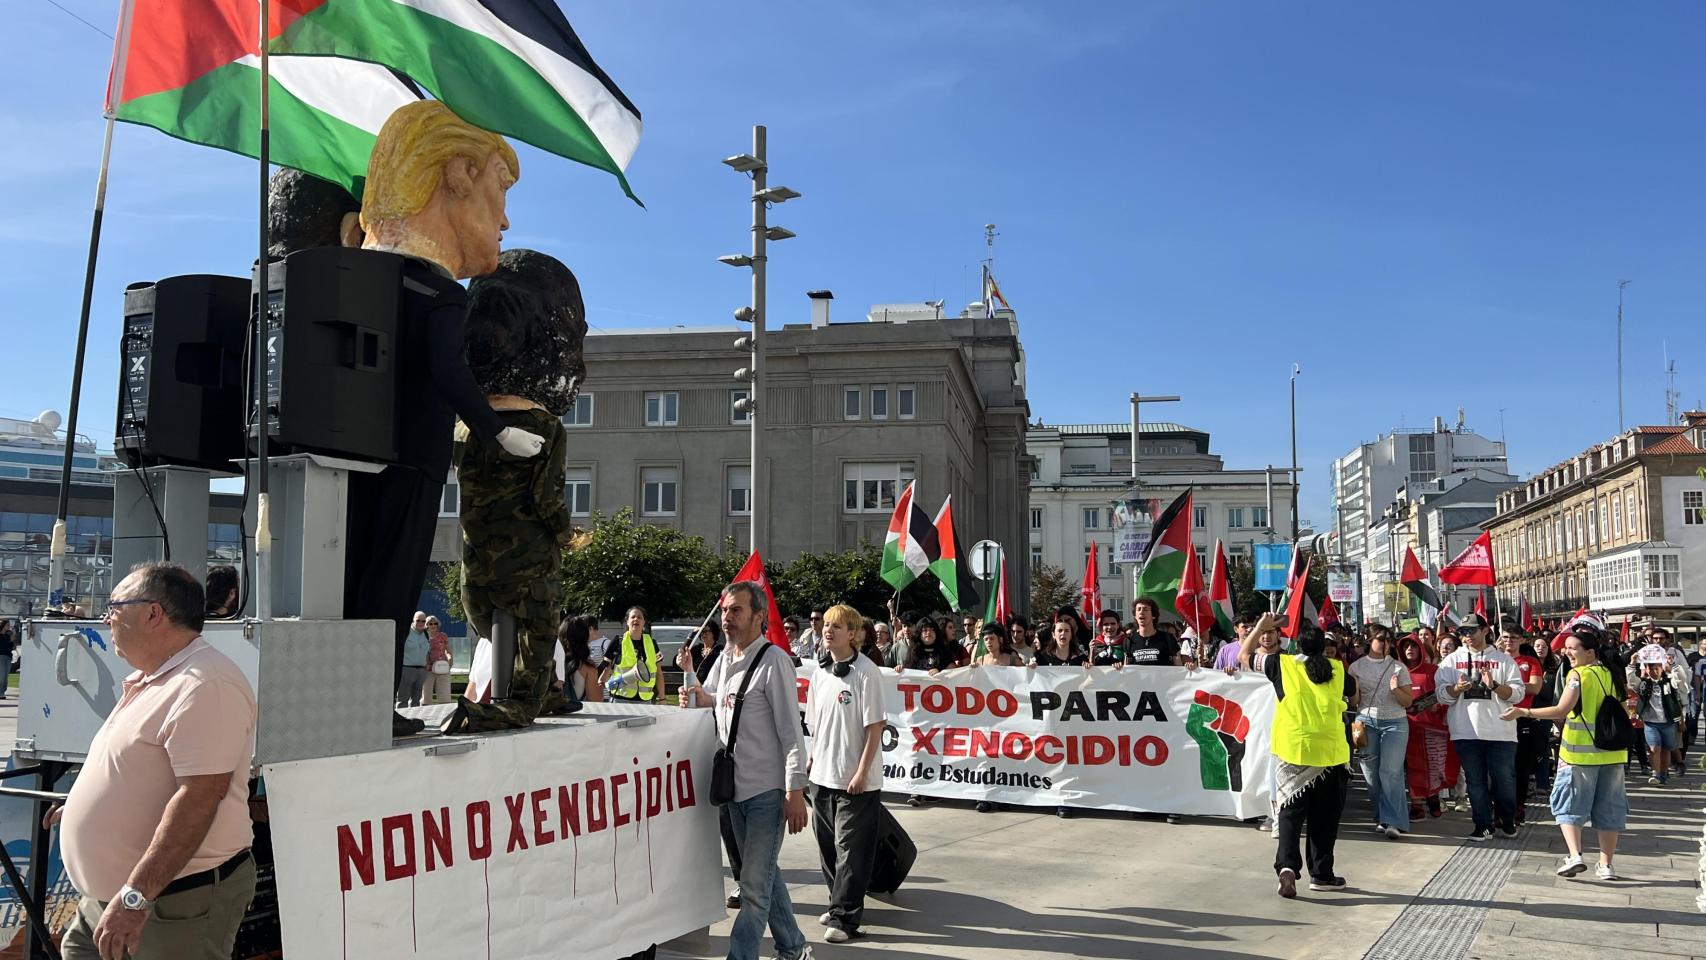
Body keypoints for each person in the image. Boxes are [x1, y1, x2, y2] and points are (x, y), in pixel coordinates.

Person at [340, 101, 541, 738]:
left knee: (344, 575)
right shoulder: (439, 292)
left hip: (346, 449)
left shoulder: (357, 280)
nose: (505, 220)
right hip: (414, 457)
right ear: (457, 175)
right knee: (392, 579)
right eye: (499, 189)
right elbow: (448, 371)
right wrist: (495, 429)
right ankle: (368, 701)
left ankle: (343, 698)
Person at [53, 562, 257, 959]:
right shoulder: (158, 678)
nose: (106, 619)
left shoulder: (205, 683)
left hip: (167, 903)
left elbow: (199, 798)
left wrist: (135, 897)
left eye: (114, 607)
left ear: (152, 614)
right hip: (114, 900)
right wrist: (85, 806)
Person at [681, 582, 812, 960]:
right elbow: (713, 701)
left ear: (759, 617)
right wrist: (693, 689)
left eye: (736, 610)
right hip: (732, 791)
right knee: (763, 874)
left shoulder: (774, 662)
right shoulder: (725, 658)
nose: (726, 618)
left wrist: (795, 792)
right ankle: (794, 948)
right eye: (725, 610)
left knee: (753, 888)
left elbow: (791, 733)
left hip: (766, 793)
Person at [1239, 613, 1353, 897]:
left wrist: (1262, 626)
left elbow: (1244, 655)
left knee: (1289, 814)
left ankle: (1287, 868)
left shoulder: (1281, 663)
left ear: (1297, 645)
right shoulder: (1337, 669)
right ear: (1324, 647)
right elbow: (1354, 693)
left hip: (1293, 750)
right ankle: (1321, 874)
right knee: (1324, 818)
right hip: (1330, 753)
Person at [1503, 624, 1627, 879]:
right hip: (1613, 754)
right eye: (1565, 649)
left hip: (1578, 755)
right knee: (1609, 811)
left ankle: (1575, 855)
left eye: (1573, 649)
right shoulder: (1611, 673)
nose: (1567, 653)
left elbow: (1561, 709)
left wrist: (1523, 711)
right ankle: (1606, 865)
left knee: (1568, 806)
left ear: (1590, 653)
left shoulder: (1577, 676)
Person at [805, 604, 884, 944]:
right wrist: (811, 759)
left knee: (851, 850)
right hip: (822, 776)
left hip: (855, 781)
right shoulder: (820, 673)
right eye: (826, 624)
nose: (827, 630)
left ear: (852, 634)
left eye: (836, 626)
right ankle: (836, 901)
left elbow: (875, 727)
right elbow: (815, 723)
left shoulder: (867, 672)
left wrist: (862, 772)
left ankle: (846, 918)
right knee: (828, 847)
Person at [1434, 612, 1523, 841]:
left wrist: (1494, 685)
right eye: (1463, 632)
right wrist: (1456, 689)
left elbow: (1517, 694)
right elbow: (1441, 695)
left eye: (1472, 630)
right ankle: (1483, 825)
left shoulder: (1504, 660)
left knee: (1504, 781)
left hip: (1501, 731)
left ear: (1485, 631)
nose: (1467, 636)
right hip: (1465, 731)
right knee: (1475, 782)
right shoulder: (1450, 661)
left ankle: (1507, 820)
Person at [1347, 624, 1414, 838]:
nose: (1385, 643)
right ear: (1369, 640)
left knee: (1391, 772)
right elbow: (1354, 702)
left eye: (1388, 640)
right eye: (1380, 639)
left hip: (1395, 722)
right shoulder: (1356, 667)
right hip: (1365, 722)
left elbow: (1408, 701)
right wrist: (1355, 689)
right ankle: (1381, 817)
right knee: (1370, 773)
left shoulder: (1398, 668)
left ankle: (1393, 821)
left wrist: (1395, 689)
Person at [1399, 635, 1454, 820]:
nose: (1409, 650)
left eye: (1413, 646)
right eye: (1406, 647)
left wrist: (1439, 706)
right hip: (1407, 727)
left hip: (1432, 727)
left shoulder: (1433, 671)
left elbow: (1445, 694)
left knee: (1434, 765)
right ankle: (1417, 804)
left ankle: (1433, 796)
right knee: (1413, 767)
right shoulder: (1397, 671)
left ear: (1421, 649)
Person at [1499, 629, 1546, 822]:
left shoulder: (1530, 662)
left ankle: (1518, 806)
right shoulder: (1495, 661)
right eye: (1505, 637)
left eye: (1513, 637)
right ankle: (1499, 809)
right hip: (1498, 718)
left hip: (1523, 718)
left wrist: (1505, 687)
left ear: (1521, 640)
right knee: (1499, 769)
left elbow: (1535, 687)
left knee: (1521, 768)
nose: (1509, 641)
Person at [1633, 647, 1683, 785]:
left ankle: (1663, 774)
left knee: (1666, 749)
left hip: (1668, 722)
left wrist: (1673, 665)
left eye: (1656, 668)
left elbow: (1679, 681)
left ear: (1662, 668)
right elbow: (1631, 681)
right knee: (1654, 749)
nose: (1653, 671)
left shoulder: (1668, 681)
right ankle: (1655, 773)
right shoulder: (1644, 684)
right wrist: (1632, 663)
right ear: (1646, 669)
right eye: (1650, 668)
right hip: (1650, 722)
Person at [605, 606, 663, 703]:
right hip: (620, 699)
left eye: (639, 617)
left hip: (645, 700)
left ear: (644, 622)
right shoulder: (618, 641)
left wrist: (662, 698)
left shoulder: (652, 643)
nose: (636, 619)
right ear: (627, 621)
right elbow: (605, 668)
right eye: (633, 617)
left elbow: (659, 673)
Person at [556, 616, 604, 705]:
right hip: (573, 712)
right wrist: (601, 686)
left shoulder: (551, 661)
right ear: (584, 637)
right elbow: (595, 699)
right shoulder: (587, 666)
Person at [1127, 598, 1182, 666]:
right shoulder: (1129, 641)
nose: (1141, 612)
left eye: (1145, 609)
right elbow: (1126, 668)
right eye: (1138, 609)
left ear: (1153, 616)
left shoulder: (1168, 639)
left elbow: (1179, 667)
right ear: (1135, 616)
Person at [396, 612, 431, 708]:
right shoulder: (406, 632)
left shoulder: (426, 634)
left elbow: (427, 652)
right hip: (406, 669)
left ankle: (414, 717)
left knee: (416, 700)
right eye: (418, 620)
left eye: (423, 621)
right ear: (413, 621)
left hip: (422, 671)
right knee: (402, 700)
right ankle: (400, 716)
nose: (421, 623)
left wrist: (427, 665)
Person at [425, 616, 454, 704]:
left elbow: (448, 651)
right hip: (428, 669)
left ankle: (445, 709)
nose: (433, 625)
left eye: (435, 623)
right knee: (426, 695)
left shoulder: (443, 636)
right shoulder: (424, 637)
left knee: (445, 696)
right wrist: (427, 664)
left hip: (443, 667)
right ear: (427, 625)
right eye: (430, 623)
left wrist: (450, 659)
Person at [0, 619, 14, 700]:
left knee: (5, 676)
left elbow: (11, 647)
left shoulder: (8, 636)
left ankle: (2, 692)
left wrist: (11, 641)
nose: (9, 626)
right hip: (1, 656)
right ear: (3, 625)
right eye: (7, 625)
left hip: (8, 657)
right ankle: (0, 693)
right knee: (2, 675)